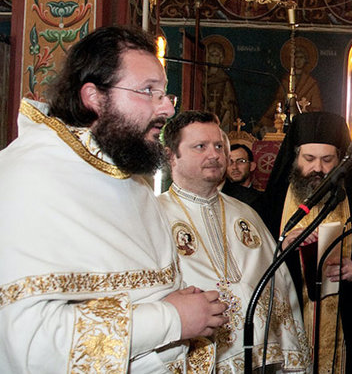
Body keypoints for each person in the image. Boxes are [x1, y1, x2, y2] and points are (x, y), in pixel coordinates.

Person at [0, 26, 227, 372]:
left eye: (165, 93)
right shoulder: (30, 179)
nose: (165, 108)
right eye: (148, 91)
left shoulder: (126, 176)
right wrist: (172, 318)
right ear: (94, 97)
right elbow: (31, 344)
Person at [158, 110, 309, 371]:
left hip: (261, 361)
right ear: (171, 155)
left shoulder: (246, 214)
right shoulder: (153, 215)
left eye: (219, 146)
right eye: (200, 147)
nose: (214, 154)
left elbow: (281, 287)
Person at [258, 112, 352, 373]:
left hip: (344, 334)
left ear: (340, 161)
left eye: (327, 160)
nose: (317, 168)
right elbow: (249, 266)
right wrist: (282, 247)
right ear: (295, 157)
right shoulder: (273, 205)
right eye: (309, 159)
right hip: (286, 331)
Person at [204, 41, 239, 132]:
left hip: (222, 118)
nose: (214, 59)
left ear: (221, 58)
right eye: (212, 55)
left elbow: (231, 102)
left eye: (217, 56)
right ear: (208, 57)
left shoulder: (225, 79)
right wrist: (207, 105)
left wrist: (225, 107)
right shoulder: (203, 79)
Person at [222, 143, 262, 208]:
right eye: (230, 162)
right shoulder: (218, 196)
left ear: (252, 166)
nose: (234, 167)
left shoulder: (261, 199)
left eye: (241, 161)